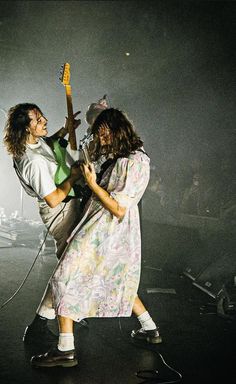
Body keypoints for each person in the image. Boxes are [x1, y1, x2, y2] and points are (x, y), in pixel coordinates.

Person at [30, 107, 162, 368]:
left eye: (104, 135)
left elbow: (118, 208)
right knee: (117, 279)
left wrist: (92, 184)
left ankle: (65, 350)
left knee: (63, 278)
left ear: (118, 132)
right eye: (99, 135)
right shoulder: (129, 156)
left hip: (104, 229)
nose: (102, 140)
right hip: (103, 227)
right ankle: (150, 330)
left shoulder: (132, 162)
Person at [3, 103, 84, 343]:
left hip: (68, 206)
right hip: (59, 211)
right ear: (25, 128)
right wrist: (74, 177)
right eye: (37, 120)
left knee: (71, 267)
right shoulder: (32, 162)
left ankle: (61, 314)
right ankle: (40, 324)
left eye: (41, 115)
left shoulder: (33, 143)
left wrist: (65, 130)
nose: (44, 120)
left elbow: (47, 144)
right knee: (68, 268)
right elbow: (53, 199)